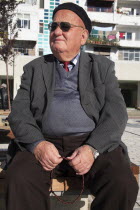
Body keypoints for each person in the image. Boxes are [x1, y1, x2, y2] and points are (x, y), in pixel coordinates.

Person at [5, 2, 138, 210]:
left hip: (91, 144)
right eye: (53, 27)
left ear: (83, 37)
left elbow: (116, 113)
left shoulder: (102, 68)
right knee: (17, 179)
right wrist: (37, 145)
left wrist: (92, 148)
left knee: (122, 182)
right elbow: (20, 113)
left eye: (65, 26)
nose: (57, 31)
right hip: (45, 144)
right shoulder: (34, 69)